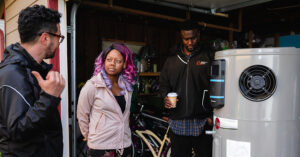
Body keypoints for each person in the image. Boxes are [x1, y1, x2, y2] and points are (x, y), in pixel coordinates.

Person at [0, 5, 65, 157]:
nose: (58, 42)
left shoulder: (32, 69)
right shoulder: (13, 73)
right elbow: (17, 130)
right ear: (45, 38)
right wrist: (49, 97)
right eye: (59, 37)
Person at [159, 20, 213, 157]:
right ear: (181, 37)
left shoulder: (208, 56)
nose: (190, 42)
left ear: (198, 35)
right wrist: (165, 97)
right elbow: (164, 84)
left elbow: (217, 86)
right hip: (178, 121)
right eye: (186, 39)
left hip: (202, 121)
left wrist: (211, 115)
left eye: (193, 38)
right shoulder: (171, 60)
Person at [77, 43, 137, 157]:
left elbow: (126, 115)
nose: (112, 64)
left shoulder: (127, 87)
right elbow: (82, 114)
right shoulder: (93, 85)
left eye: (118, 61)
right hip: (100, 146)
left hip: (123, 145)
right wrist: (89, 135)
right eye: (109, 59)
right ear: (104, 61)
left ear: (124, 64)